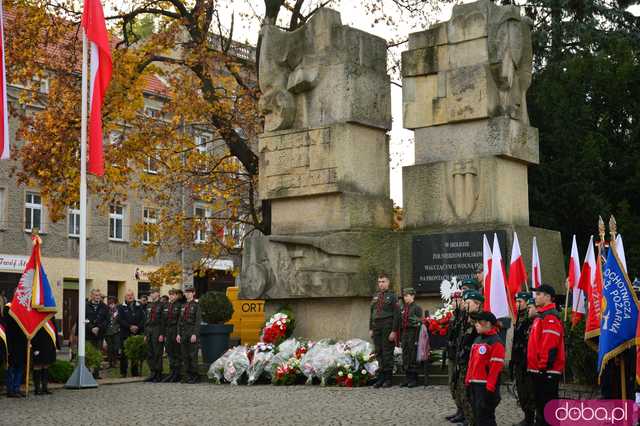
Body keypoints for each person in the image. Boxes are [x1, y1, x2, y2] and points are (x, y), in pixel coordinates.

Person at [527, 284, 565, 426]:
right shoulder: (541, 316)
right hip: (539, 369)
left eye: (538, 294)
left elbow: (549, 346)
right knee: (541, 409)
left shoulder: (550, 317)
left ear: (548, 297)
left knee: (548, 409)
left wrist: (543, 367)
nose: (535, 297)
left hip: (547, 370)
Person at [465, 311, 506, 426]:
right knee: (478, 417)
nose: (476, 324)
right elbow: (471, 363)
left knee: (486, 419)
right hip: (474, 384)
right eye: (475, 322)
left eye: (479, 322)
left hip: (485, 387)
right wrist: (467, 381)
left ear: (488, 323)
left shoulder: (496, 342)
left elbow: (495, 369)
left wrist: (490, 389)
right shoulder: (477, 340)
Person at [453, 289, 484, 425]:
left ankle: (473, 420)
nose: (465, 305)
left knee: (470, 395)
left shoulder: (480, 321)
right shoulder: (465, 319)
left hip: (472, 363)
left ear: (477, 304)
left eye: (468, 303)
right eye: (465, 303)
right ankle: (468, 418)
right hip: (463, 360)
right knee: (463, 392)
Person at [369, 272, 400, 388]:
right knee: (378, 352)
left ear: (388, 283)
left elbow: (397, 315)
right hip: (376, 326)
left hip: (387, 326)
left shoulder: (392, 296)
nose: (381, 284)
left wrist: (394, 330)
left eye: (383, 282)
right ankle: (380, 378)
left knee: (387, 353)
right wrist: (370, 328)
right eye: (379, 282)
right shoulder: (376, 296)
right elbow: (371, 313)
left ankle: (388, 379)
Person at [511, 292, 535, 426]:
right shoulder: (519, 317)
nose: (517, 304)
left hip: (527, 361)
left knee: (529, 391)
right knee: (521, 392)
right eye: (516, 301)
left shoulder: (530, 318)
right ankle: (527, 416)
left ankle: (531, 418)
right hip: (519, 359)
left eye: (520, 301)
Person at [445, 290, 465, 422]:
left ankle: (464, 412)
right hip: (453, 354)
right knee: (452, 383)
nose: (452, 303)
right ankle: (459, 409)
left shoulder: (464, 317)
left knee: (460, 385)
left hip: (460, 356)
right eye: (452, 300)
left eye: (455, 300)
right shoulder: (455, 316)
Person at [118, 290, 145, 378]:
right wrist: (130, 326)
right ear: (125, 297)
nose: (130, 297)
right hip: (125, 333)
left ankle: (135, 372)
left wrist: (137, 327)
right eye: (128, 295)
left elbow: (143, 318)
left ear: (134, 296)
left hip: (137, 332)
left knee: (135, 353)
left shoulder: (139, 306)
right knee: (124, 354)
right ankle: (123, 372)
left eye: (131, 295)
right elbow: (120, 320)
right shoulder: (121, 307)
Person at [399, 287, 423, 388]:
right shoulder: (403, 308)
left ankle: (413, 379)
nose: (405, 298)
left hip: (413, 333)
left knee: (412, 354)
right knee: (405, 354)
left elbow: (419, 323)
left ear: (412, 296)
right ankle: (407, 378)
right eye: (404, 296)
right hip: (405, 332)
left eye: (407, 296)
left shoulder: (416, 308)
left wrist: (417, 339)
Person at [177, 286, 201, 384]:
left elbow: (197, 321)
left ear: (193, 293)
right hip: (183, 332)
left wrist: (195, 334)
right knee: (184, 355)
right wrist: (178, 334)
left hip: (191, 331)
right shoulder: (183, 305)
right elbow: (179, 321)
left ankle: (195, 375)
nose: (187, 294)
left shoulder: (196, 305)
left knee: (192, 355)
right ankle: (187, 375)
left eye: (189, 292)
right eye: (186, 292)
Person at [31, 319, 61, 395]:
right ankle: (37, 389)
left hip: (49, 344)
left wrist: (56, 345)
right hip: (38, 344)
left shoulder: (51, 316)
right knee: (37, 365)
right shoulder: (36, 315)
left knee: (46, 365)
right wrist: (34, 345)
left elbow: (54, 330)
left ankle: (45, 388)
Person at [3, 304, 26, 398]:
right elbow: (7, 325)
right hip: (11, 342)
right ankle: (10, 390)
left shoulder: (25, 308)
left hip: (21, 343)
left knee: (20, 368)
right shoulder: (8, 308)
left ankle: (17, 389)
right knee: (11, 367)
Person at [161, 288, 184, 383]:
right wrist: (163, 333)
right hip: (168, 331)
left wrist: (178, 333)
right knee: (170, 352)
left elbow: (180, 321)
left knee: (176, 353)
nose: (171, 296)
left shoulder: (180, 306)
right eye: (170, 294)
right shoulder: (167, 305)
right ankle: (171, 372)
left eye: (173, 294)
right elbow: (163, 321)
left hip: (175, 330)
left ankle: (176, 373)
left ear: (176, 295)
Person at [86, 288, 108, 376]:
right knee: (87, 353)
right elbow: (83, 318)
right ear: (91, 296)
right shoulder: (85, 306)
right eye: (95, 295)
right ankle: (87, 373)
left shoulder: (104, 306)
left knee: (98, 353)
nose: (97, 297)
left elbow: (106, 320)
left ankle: (96, 373)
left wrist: (98, 327)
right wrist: (91, 328)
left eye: (99, 295)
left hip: (99, 334)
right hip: (88, 334)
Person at [144, 288, 165, 382]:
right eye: (150, 293)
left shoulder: (162, 305)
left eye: (153, 293)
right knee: (150, 352)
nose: (151, 295)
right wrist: (145, 334)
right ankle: (152, 372)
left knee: (157, 352)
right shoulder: (149, 305)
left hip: (157, 329)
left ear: (158, 293)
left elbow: (163, 321)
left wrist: (162, 334)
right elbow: (146, 320)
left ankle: (158, 373)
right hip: (149, 330)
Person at [104, 296, 120, 368]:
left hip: (116, 331)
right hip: (107, 331)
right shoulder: (106, 310)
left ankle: (115, 361)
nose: (111, 304)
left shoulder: (118, 310)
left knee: (116, 347)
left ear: (116, 303)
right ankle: (110, 363)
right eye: (110, 303)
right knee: (109, 348)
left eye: (112, 303)